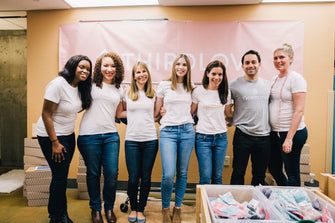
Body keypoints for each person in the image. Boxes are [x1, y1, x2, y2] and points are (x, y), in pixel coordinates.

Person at [36, 55, 92, 223]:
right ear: (73, 66)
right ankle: (58, 216)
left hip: (68, 134)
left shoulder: (80, 87)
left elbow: (77, 108)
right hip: (51, 136)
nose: (85, 71)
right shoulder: (57, 84)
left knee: (60, 174)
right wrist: (55, 142)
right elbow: (46, 114)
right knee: (60, 176)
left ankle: (57, 213)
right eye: (82, 67)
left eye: (88, 69)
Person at [77, 52, 124, 223]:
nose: (109, 69)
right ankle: (96, 209)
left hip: (111, 135)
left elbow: (121, 113)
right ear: (99, 67)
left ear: (117, 69)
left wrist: (152, 113)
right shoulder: (89, 85)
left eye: (113, 66)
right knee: (94, 173)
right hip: (89, 135)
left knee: (111, 173)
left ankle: (109, 208)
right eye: (106, 65)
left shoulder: (120, 88)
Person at [155, 54, 195, 223]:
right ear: (173, 66)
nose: (181, 67)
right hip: (168, 132)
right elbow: (157, 113)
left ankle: (177, 207)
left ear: (188, 68)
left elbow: (193, 111)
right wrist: (162, 113)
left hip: (187, 131)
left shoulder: (191, 87)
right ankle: (165, 208)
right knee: (169, 174)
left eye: (184, 64)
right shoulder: (164, 85)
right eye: (178, 64)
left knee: (183, 173)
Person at [118, 61, 159, 223]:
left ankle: (141, 209)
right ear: (134, 76)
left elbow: (156, 116)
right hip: (132, 141)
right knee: (133, 177)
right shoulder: (126, 93)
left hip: (150, 140)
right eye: (138, 72)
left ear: (147, 74)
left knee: (146, 178)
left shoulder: (153, 94)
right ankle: (133, 207)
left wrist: (159, 113)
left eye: (144, 71)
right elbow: (120, 113)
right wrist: (134, 116)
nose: (141, 74)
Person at [226, 50, 271, 186]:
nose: (250, 65)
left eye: (253, 62)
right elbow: (227, 110)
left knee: (259, 174)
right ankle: (236, 205)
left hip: (264, 136)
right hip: (242, 135)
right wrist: (236, 119)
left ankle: (257, 205)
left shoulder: (268, 85)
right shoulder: (233, 85)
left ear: (259, 64)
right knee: (238, 172)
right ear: (242, 66)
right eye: (247, 63)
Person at [268, 44, 308, 186]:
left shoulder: (296, 79)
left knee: (292, 172)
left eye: (282, 57)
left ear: (290, 59)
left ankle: (294, 205)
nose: (278, 60)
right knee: (274, 168)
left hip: (292, 133)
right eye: (275, 58)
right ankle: (285, 194)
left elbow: (299, 110)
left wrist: (289, 138)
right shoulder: (274, 79)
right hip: (275, 132)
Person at [191, 60, 230, 184]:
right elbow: (190, 112)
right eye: (214, 74)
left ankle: (216, 204)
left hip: (221, 138)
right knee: (205, 177)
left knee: (217, 177)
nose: (217, 77)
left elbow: (229, 114)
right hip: (203, 138)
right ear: (207, 74)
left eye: (220, 75)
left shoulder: (226, 92)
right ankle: (203, 204)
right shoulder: (198, 91)